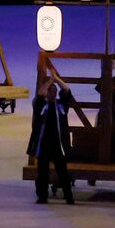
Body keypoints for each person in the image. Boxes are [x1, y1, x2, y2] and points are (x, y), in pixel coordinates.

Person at [27, 74, 77, 205]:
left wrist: (57, 79)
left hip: (58, 146)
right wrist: (49, 81)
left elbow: (66, 91)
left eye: (55, 91)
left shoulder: (61, 105)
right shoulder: (40, 105)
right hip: (43, 145)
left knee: (63, 173)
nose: (53, 93)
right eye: (51, 91)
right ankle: (42, 196)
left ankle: (69, 196)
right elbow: (39, 94)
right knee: (42, 173)